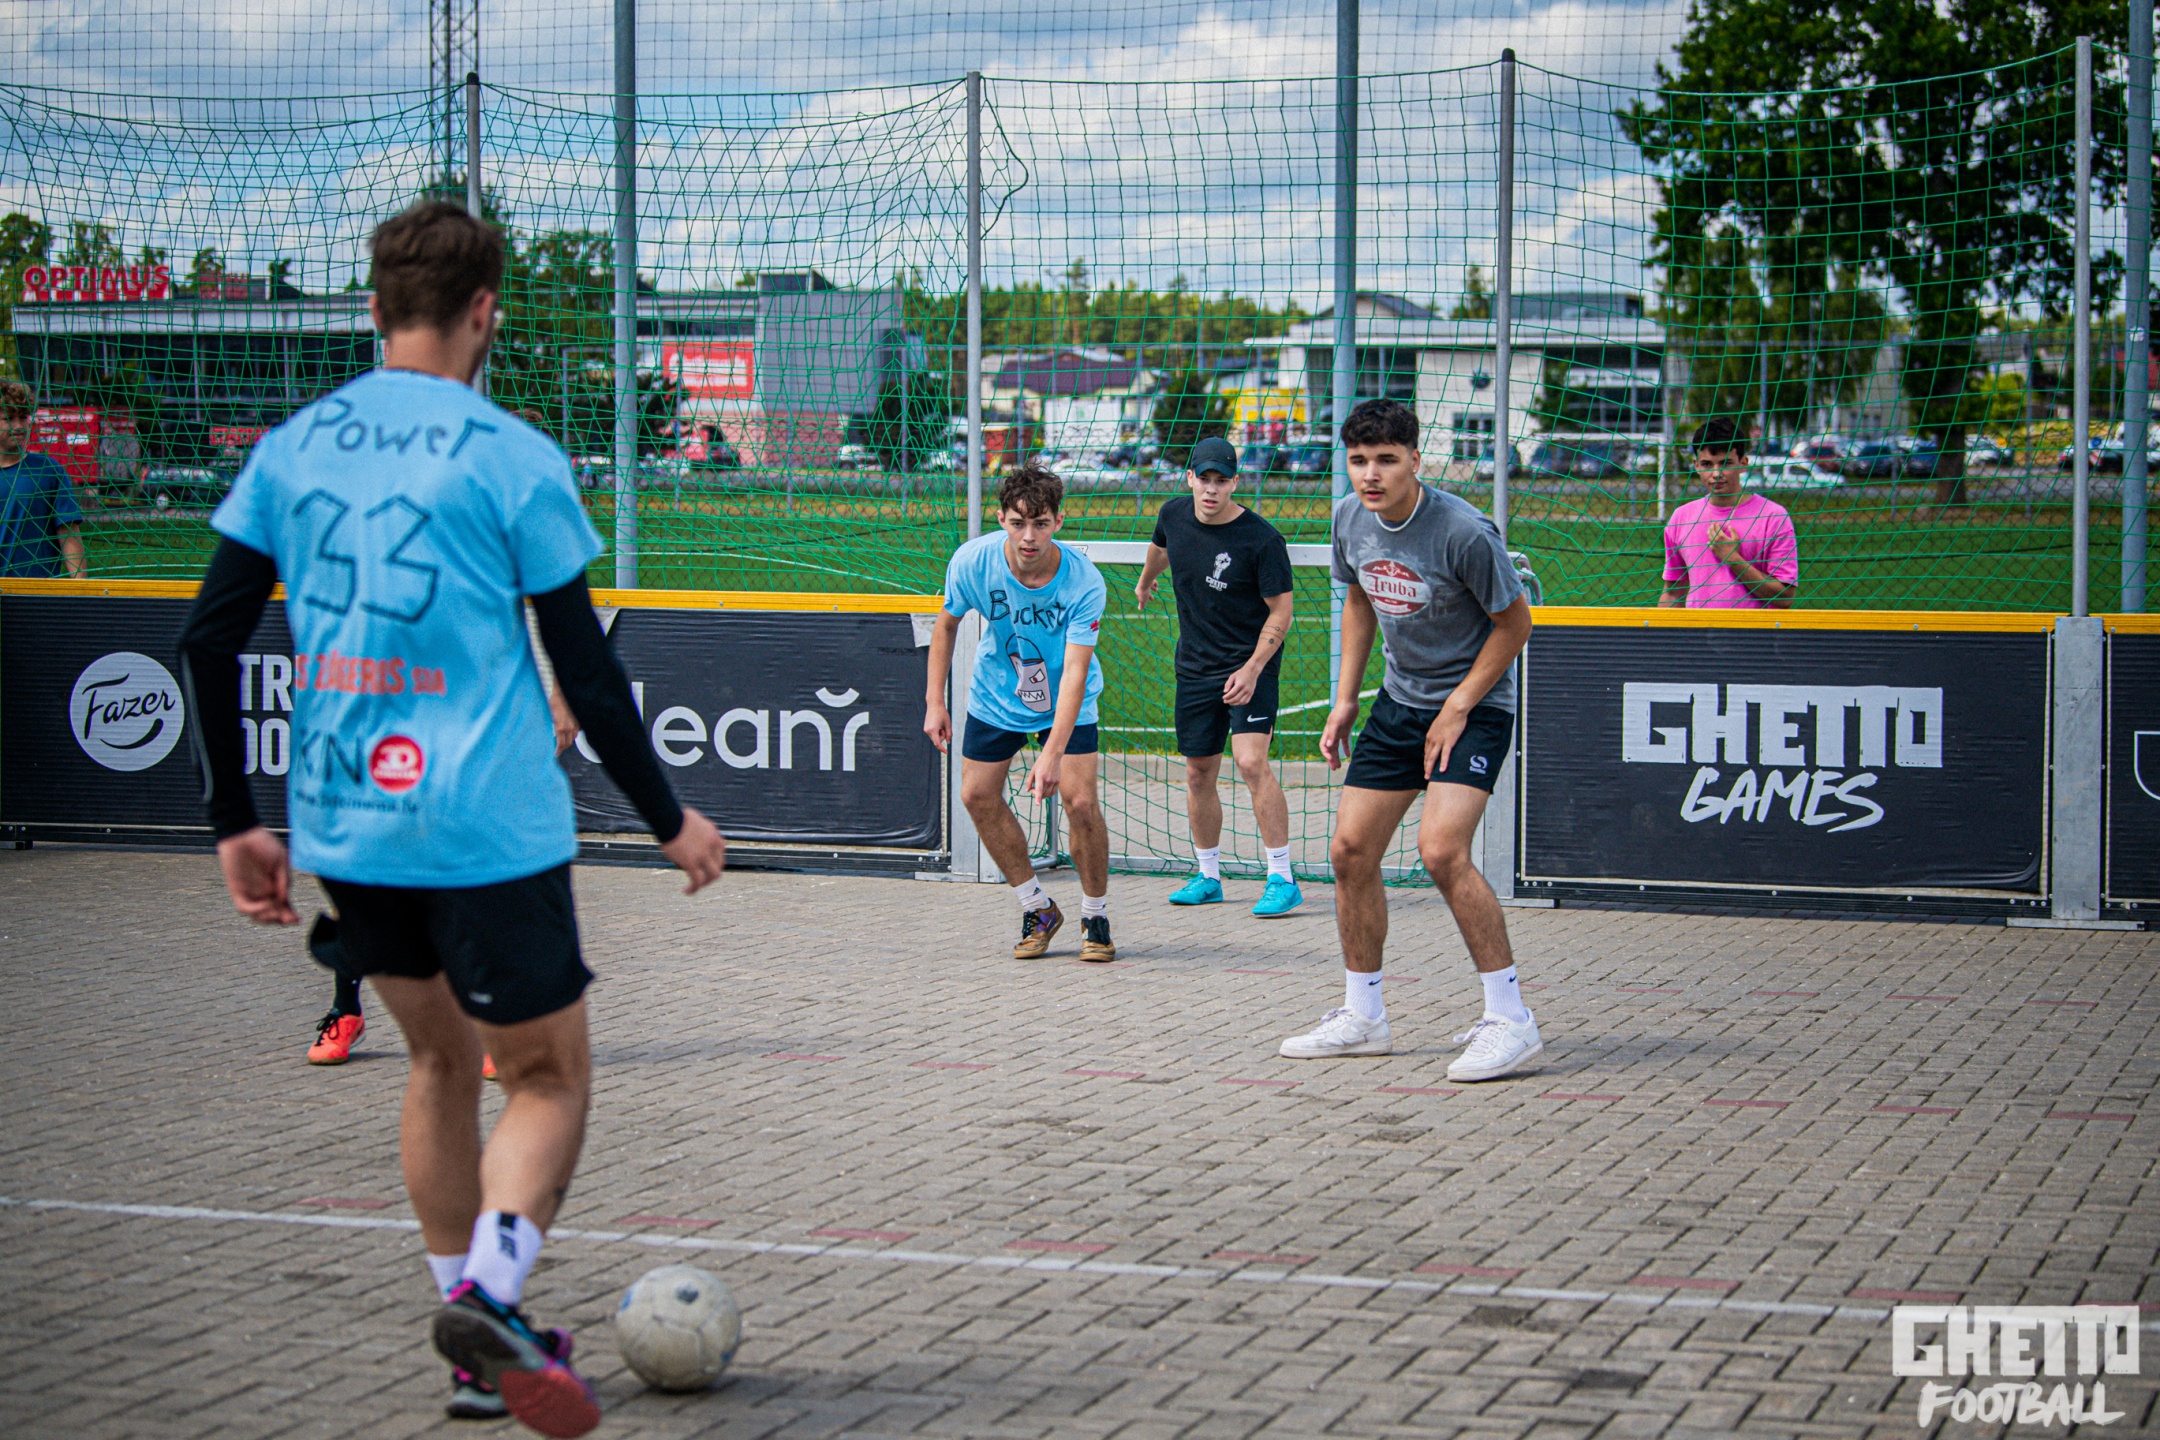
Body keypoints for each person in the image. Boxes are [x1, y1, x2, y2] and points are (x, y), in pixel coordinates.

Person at [177, 200, 728, 1438]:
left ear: (375, 308)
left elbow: (205, 639)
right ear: (487, 313)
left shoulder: (293, 448)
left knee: (434, 1063)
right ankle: (491, 1296)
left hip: (346, 823)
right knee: (546, 1077)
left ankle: (476, 1356)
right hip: (485, 825)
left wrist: (233, 822)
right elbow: (586, 671)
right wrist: (667, 819)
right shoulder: (512, 456)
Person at [1279, 399, 1541, 1082]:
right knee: (1349, 851)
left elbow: (1516, 626)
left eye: (1387, 460)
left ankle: (1511, 1020)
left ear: (1416, 461)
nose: (1371, 474)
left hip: (1475, 705)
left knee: (1441, 851)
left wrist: (1457, 707)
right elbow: (1360, 599)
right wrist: (1344, 699)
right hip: (1400, 703)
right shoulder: (1348, 517)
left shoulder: (1463, 532)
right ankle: (1364, 1017)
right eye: (1359, 460)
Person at [925, 464, 1115, 961]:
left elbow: (1075, 672)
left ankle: (1095, 916)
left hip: (1066, 699)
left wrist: (1051, 754)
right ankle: (1037, 907)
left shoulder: (1083, 582)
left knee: (1080, 802)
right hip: (997, 693)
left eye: (1041, 524)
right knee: (976, 795)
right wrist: (934, 702)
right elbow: (945, 626)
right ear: (1001, 519)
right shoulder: (973, 561)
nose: (1029, 537)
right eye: (1017, 523)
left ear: (1059, 521)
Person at [1133, 435, 1301, 917]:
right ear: (1189, 478)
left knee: (1251, 762)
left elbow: (1282, 612)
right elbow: (1159, 547)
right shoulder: (1173, 514)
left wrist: (1252, 669)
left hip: (1250, 666)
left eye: (1221, 481)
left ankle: (1282, 878)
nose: (1211, 489)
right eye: (1203, 479)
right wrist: (1146, 581)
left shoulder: (1262, 540)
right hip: (1195, 666)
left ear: (1234, 483)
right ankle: (1208, 876)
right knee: (1197, 772)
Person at [1658, 416, 1798, 609]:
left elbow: (1784, 598)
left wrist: (1732, 559)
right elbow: (1673, 593)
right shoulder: (1682, 518)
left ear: (1743, 463)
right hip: (1700, 628)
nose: (1716, 473)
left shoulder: (1773, 517)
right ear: (1696, 465)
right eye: (1707, 464)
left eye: (1726, 463)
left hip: (1754, 628)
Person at [0, 380, 87, 578]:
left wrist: (81, 588)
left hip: (37, 591)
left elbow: (68, 532)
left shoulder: (48, 471)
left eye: (23, 417)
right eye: (9, 418)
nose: (18, 426)